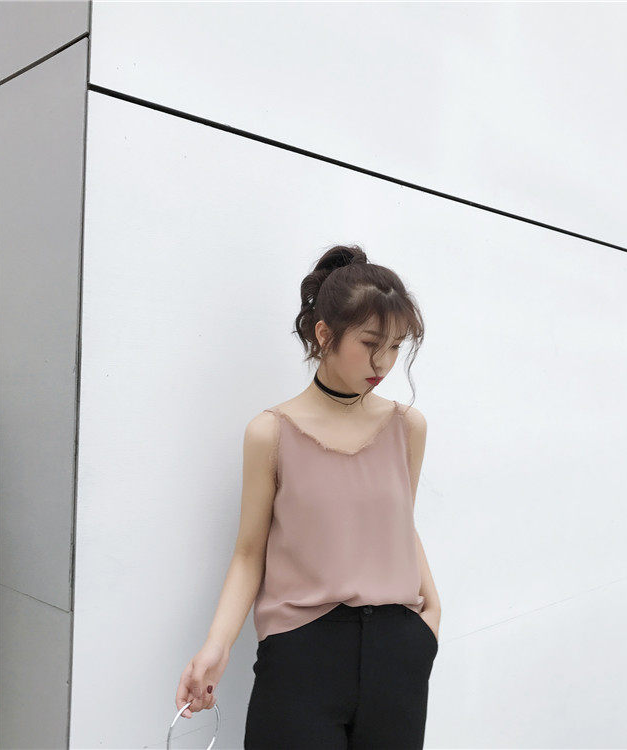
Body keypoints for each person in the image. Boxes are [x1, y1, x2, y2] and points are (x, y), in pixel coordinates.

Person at [174, 244, 441, 749]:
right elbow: (249, 552)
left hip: (397, 653)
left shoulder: (408, 427)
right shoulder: (272, 432)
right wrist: (216, 646)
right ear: (324, 334)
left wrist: (430, 617)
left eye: (395, 346)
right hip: (302, 651)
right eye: (370, 343)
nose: (384, 362)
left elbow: (401, 525)